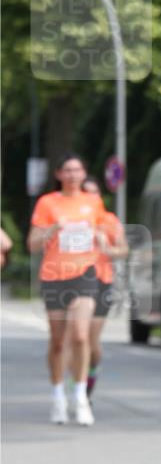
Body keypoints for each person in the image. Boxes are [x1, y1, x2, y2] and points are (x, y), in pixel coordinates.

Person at [27, 153, 105, 426]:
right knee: (58, 341)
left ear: (84, 174)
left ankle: (81, 397)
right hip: (54, 275)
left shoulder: (93, 202)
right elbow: (33, 244)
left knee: (82, 336)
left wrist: (101, 237)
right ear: (59, 174)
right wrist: (51, 229)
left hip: (84, 273)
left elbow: (103, 233)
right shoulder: (47, 203)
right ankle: (58, 395)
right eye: (67, 170)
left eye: (77, 170)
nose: (73, 175)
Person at [77, 176, 129, 401]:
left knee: (90, 339)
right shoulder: (73, 219)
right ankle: (76, 384)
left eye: (94, 192)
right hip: (74, 281)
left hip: (101, 281)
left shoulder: (109, 220)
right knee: (76, 338)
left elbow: (123, 250)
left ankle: (90, 376)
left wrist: (106, 246)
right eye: (85, 192)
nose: (90, 197)